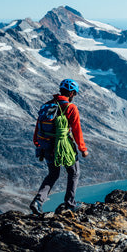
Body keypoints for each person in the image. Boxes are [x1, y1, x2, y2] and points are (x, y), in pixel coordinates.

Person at [29, 78, 89, 214]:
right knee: (74, 173)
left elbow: (38, 127)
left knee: (53, 174)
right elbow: (76, 130)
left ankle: (38, 201)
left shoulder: (46, 106)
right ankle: (70, 204)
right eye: (75, 94)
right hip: (64, 147)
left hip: (46, 145)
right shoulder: (70, 107)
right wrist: (83, 149)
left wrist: (38, 143)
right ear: (72, 93)